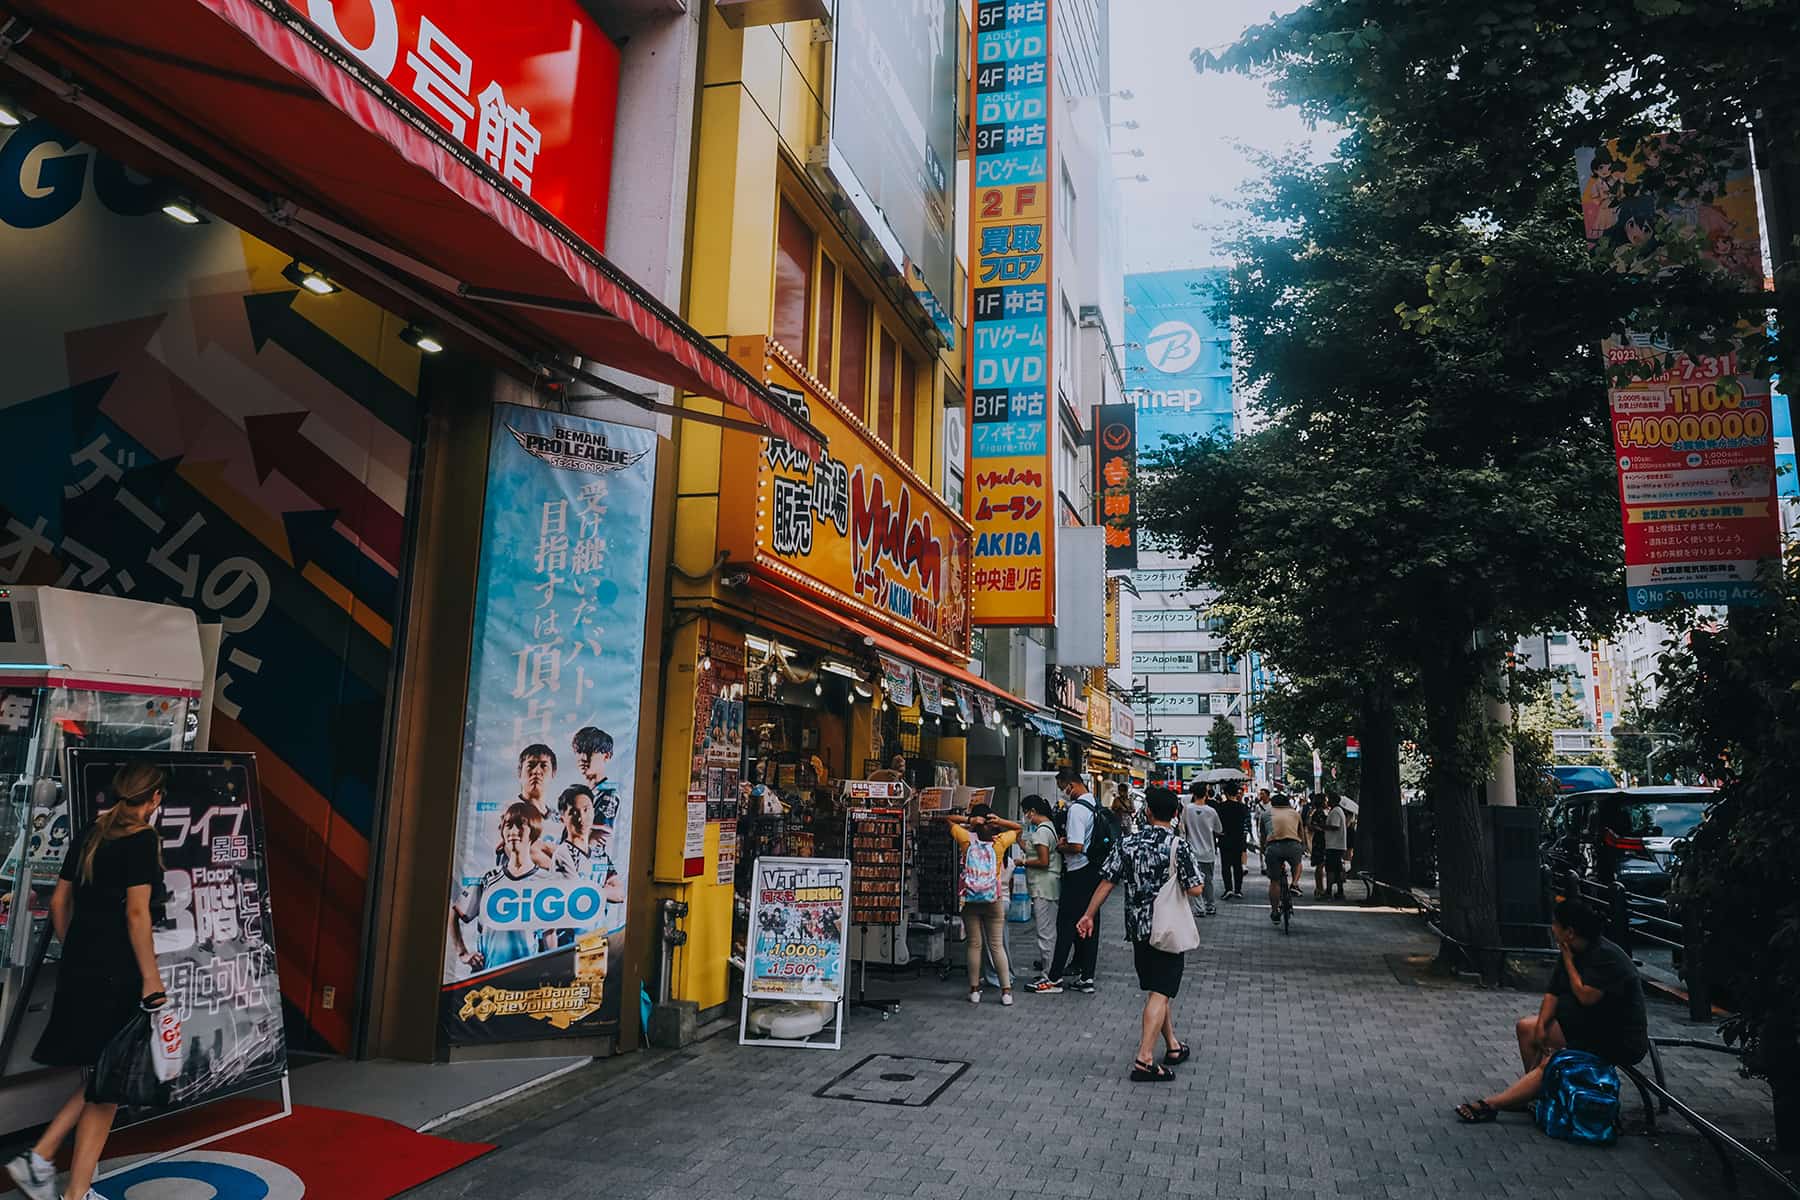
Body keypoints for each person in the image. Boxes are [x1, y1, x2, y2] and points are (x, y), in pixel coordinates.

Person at [10, 765, 170, 1200]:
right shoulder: (142, 840)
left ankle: (52, 1168)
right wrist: (151, 980)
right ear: (154, 799)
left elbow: (59, 901)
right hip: (118, 974)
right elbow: (137, 915)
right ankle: (58, 1176)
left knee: (104, 1077)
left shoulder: (92, 832)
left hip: (81, 968)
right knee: (108, 1085)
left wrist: (77, 947)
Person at [1456, 899, 1649, 1123]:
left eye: (1556, 924)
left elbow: (1586, 996)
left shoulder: (1606, 957)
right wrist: (1541, 1027)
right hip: (1585, 1027)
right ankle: (1533, 1093)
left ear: (1569, 932)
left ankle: (1491, 1104)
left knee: (1553, 1060)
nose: (1552, 928)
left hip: (1614, 1037)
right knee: (1527, 1028)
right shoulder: (1571, 949)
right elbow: (1553, 993)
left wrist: (1568, 962)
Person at [1074, 787, 1205, 1082]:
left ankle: (1172, 1045)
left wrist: (1088, 914)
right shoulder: (1177, 846)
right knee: (1161, 991)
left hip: (1137, 928)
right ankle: (1145, 1060)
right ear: (1175, 814)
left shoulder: (1128, 843)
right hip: (1167, 927)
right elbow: (1196, 888)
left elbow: (1107, 881)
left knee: (1158, 989)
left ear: (1147, 812)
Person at [451, 802, 547, 973]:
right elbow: (455, 914)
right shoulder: (488, 879)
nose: (513, 832)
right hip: (489, 979)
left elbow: (549, 934)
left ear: (533, 831)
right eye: (508, 825)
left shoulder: (545, 881)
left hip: (528, 980)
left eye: (521, 825)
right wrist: (464, 954)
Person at [1033, 766, 1103, 994]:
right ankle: (1087, 977)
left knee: (1065, 925)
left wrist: (1060, 846)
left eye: (1063, 788)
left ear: (1071, 785)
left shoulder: (1076, 810)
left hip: (1078, 872)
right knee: (1090, 921)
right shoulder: (1094, 803)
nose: (1063, 792)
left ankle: (1053, 978)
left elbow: (1076, 846)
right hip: (1094, 872)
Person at [947, 805, 1021, 1005]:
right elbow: (1017, 829)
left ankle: (974, 990)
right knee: (996, 946)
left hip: (971, 899)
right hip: (993, 900)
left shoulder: (966, 841)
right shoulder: (999, 843)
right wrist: (1000, 821)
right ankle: (1006, 992)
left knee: (974, 944)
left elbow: (949, 820)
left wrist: (969, 821)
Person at [549, 784, 627, 941]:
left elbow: (620, 894)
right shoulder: (563, 854)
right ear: (563, 817)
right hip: (570, 945)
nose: (581, 818)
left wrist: (593, 891)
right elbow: (580, 899)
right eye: (573, 812)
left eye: (586, 810)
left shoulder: (600, 854)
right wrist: (603, 891)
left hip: (596, 940)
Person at [1018, 795, 1061, 983]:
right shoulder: (1048, 827)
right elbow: (1034, 849)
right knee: (1048, 930)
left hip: (1044, 887)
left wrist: (1023, 862)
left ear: (1032, 812)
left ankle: (1049, 975)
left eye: (1026, 813)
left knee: (1045, 932)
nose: (1026, 817)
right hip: (1048, 885)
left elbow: (1043, 861)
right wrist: (1018, 839)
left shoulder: (1042, 831)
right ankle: (1048, 970)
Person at [509, 744, 561, 868]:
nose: (537, 771)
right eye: (531, 765)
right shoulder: (508, 813)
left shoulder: (561, 820)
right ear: (519, 772)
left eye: (543, 766)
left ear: (553, 773)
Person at [1258, 793, 1306, 924]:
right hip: (1293, 845)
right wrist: (1304, 847)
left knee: (1274, 881)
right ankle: (1295, 883)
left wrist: (1263, 849)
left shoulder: (1266, 813)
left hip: (1273, 847)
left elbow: (1262, 835)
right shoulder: (1295, 813)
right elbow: (1301, 833)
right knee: (1297, 864)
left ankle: (1274, 911)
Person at [1178, 786, 1221, 917]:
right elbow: (1218, 829)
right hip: (1208, 851)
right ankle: (1210, 905)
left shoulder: (1187, 809)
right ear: (1206, 794)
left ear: (1193, 794)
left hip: (1192, 851)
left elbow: (1182, 827)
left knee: (1194, 880)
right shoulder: (1211, 811)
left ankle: (1199, 907)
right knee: (1208, 880)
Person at [1213, 781, 1249, 899]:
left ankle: (1228, 889)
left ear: (1226, 793)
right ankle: (1238, 890)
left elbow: (1217, 824)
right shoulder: (1243, 807)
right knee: (1237, 865)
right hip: (1238, 839)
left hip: (1225, 839)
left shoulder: (1221, 807)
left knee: (1226, 865)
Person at [1322, 794, 1348, 900]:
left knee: (1331, 869)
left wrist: (1323, 826)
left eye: (1328, 800)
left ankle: (1328, 891)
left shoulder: (1335, 811)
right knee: (1337, 869)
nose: (1327, 802)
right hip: (1337, 845)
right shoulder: (1338, 810)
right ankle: (1340, 891)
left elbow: (1335, 826)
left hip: (1334, 845)